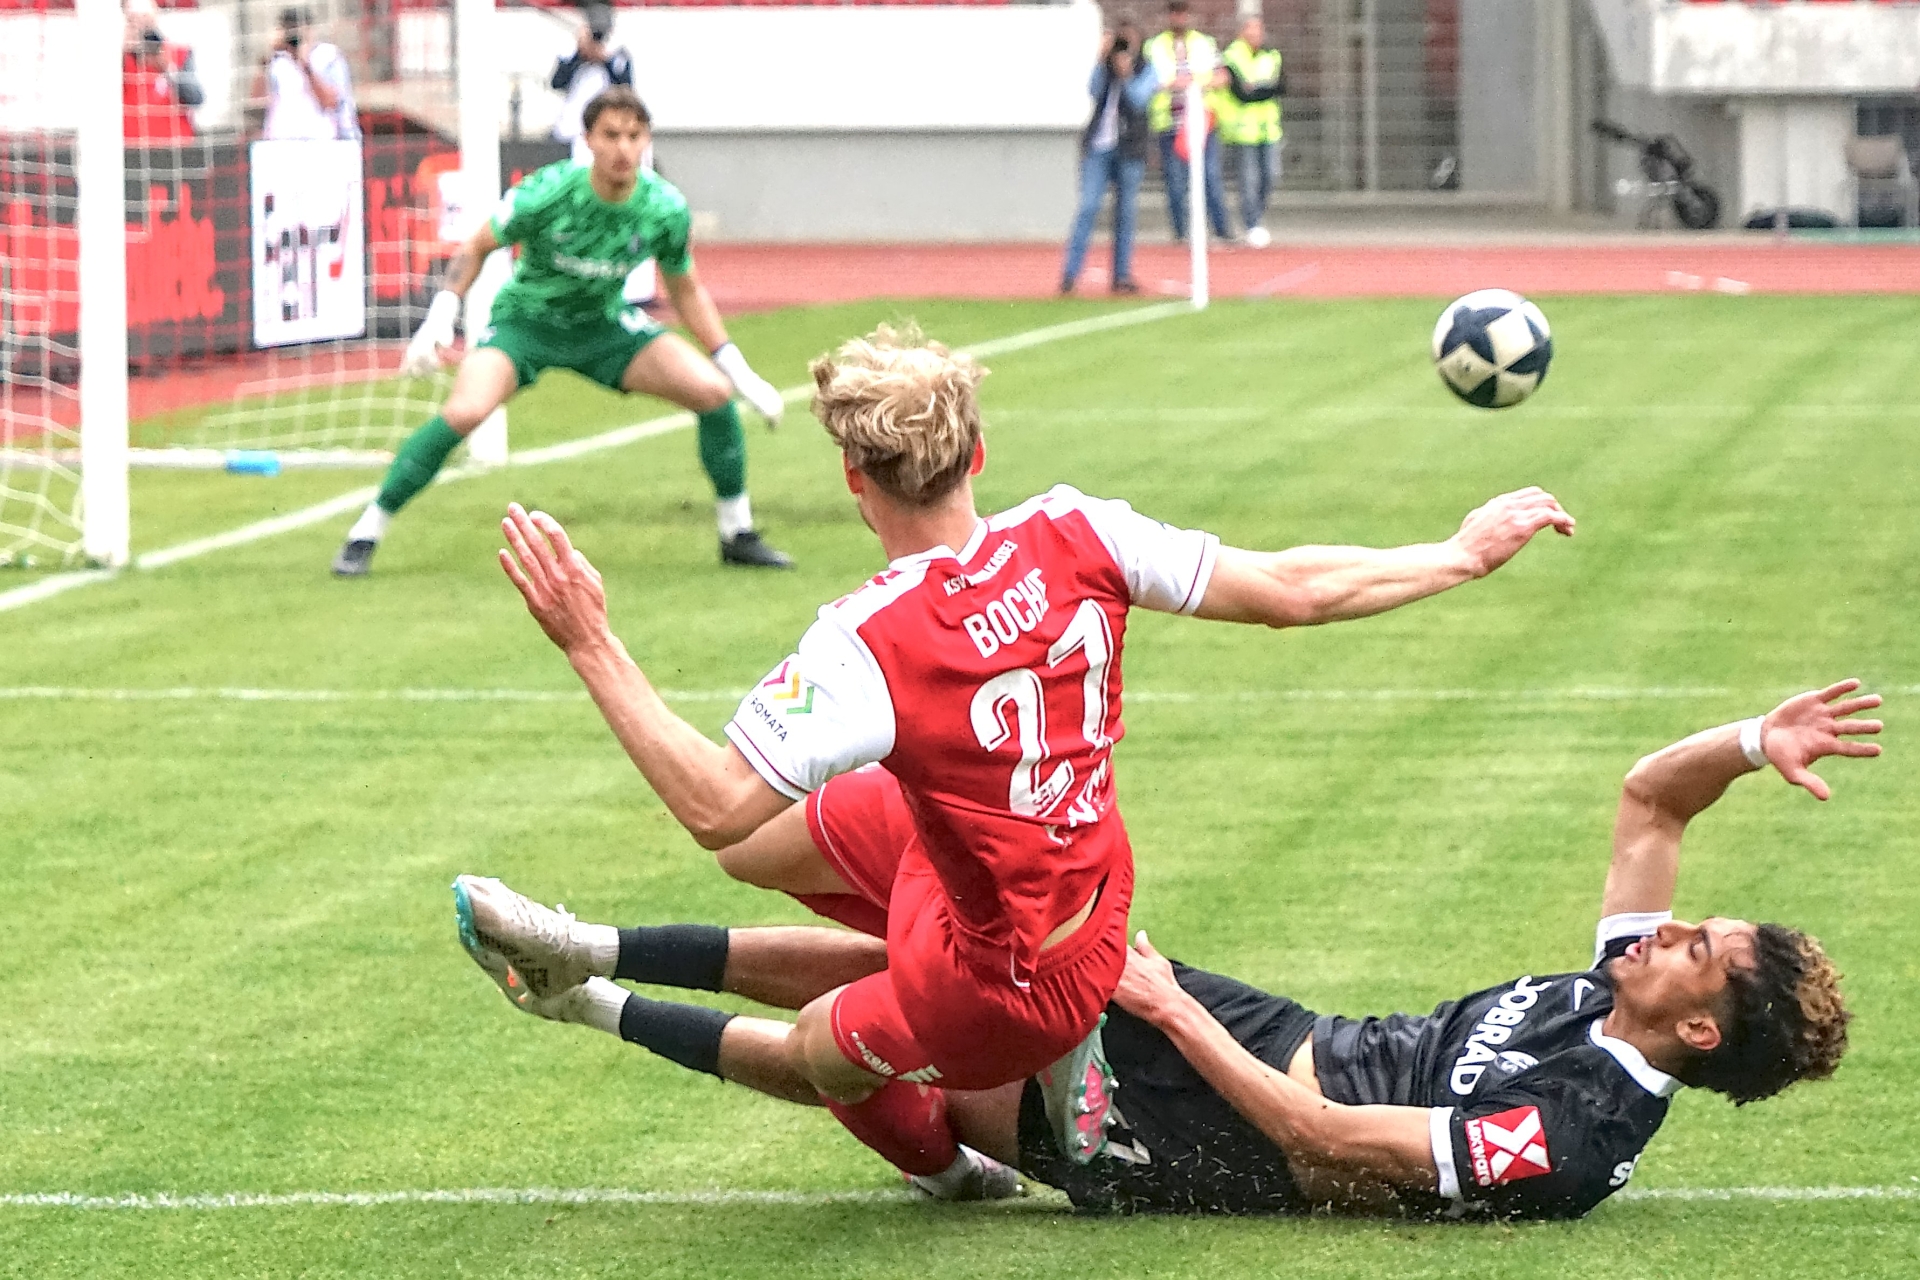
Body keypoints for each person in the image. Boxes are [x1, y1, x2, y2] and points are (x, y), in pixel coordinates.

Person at [481, 321, 1576, 1197]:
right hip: (1079, 893)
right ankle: (591, 943)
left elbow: (713, 802)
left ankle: (940, 1160)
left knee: (820, 1047)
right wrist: (1456, 554)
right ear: (980, 455)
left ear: (856, 480)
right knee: (768, 853)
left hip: (1001, 985)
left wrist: (591, 639)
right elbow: (1290, 589)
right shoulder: (1075, 530)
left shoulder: (871, 638)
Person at [455, 679, 1870, 1219]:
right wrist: (1754, 744)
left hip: (1210, 1132)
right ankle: (590, 945)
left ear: (1702, 1029)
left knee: (915, 1052)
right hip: (1260, 1027)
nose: (1675, 927)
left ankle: (587, 1004)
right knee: (953, 961)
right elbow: (1650, 798)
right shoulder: (1614, 993)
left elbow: (1330, 1146)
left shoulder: (1578, 1135)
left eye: (1704, 948)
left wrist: (1167, 1011)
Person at [331, 87, 792, 577]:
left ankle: (737, 533)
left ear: (647, 141)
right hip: (526, 323)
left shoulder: (665, 207)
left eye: (634, 136)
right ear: (588, 139)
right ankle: (367, 529)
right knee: (466, 410)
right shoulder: (550, 190)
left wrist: (738, 371)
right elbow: (478, 244)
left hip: (603, 326)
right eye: (611, 135)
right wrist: (441, 313)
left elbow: (686, 290)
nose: (623, 148)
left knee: (713, 394)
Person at [1060, 24, 1154, 296]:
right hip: (1100, 147)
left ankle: (1121, 275)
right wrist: (1101, 60)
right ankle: (1070, 273)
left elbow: (1139, 100)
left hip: (1130, 149)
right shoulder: (1105, 68)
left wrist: (1126, 76)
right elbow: (1092, 90)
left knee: (1125, 213)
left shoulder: (1147, 68)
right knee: (1088, 207)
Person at [1142, 0, 1230, 244]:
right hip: (1169, 122)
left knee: (1210, 177)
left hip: (1201, 121)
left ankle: (1222, 230)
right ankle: (1181, 233)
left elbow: (1222, 77)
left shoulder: (1205, 43)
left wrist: (1196, 84)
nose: (1179, 18)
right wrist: (1170, 84)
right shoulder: (1153, 46)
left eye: (1182, 13)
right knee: (1175, 182)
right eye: (1174, 13)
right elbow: (1147, 80)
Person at [1219, 15, 1283, 245]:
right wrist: (1262, 88)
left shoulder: (1272, 55)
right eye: (1251, 29)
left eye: (1259, 29)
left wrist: (1257, 88)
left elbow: (1281, 86)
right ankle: (1252, 223)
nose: (1256, 34)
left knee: (1270, 176)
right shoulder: (1232, 56)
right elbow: (1241, 93)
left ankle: (1257, 216)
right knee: (1248, 180)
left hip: (1268, 129)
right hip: (1243, 130)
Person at [551, 5, 635, 166]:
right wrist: (579, 54)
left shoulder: (618, 55)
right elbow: (557, 83)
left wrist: (605, 60)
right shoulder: (572, 55)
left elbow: (626, 87)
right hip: (572, 129)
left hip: (605, 124)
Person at [261, 7, 358, 143]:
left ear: (310, 30)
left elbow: (331, 102)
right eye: (288, 28)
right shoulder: (278, 60)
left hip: (321, 139)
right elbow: (258, 103)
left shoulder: (328, 56)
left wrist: (305, 64)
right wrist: (265, 57)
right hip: (283, 140)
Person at [122, 0, 203, 147]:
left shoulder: (179, 53)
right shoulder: (118, 59)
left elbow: (196, 98)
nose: (141, 25)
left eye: (145, 17)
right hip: (131, 147)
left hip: (175, 146)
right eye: (133, 19)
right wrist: (121, 52)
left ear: (155, 15)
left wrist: (168, 69)